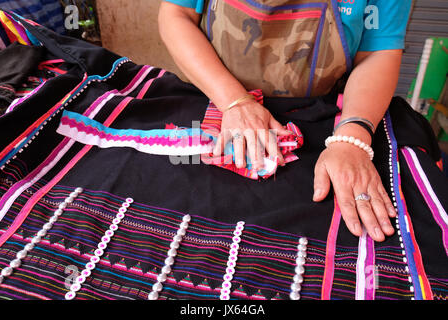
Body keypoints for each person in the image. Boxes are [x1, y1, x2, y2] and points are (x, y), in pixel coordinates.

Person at [158, 0, 412, 242]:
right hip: (216, 93)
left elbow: (377, 52)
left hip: (326, 112)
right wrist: (235, 102)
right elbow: (177, 15)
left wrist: (353, 138)